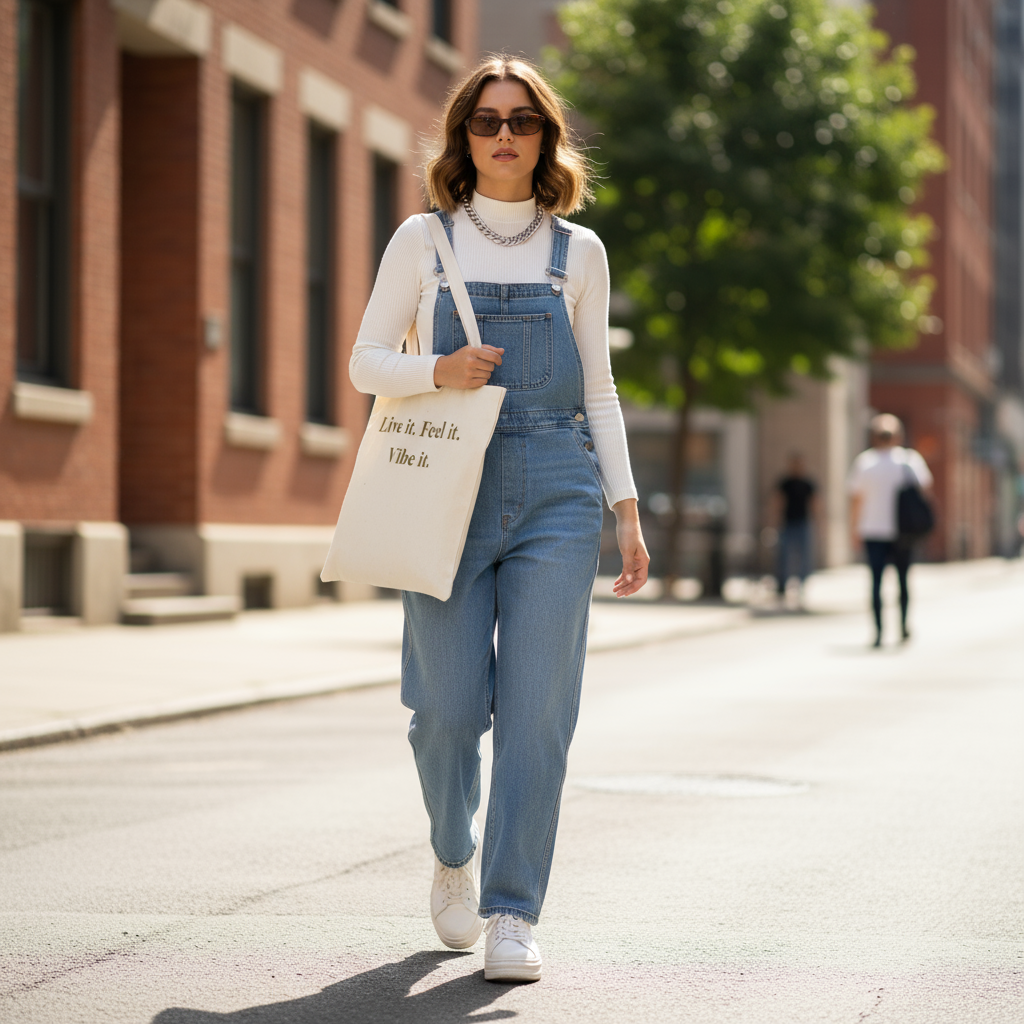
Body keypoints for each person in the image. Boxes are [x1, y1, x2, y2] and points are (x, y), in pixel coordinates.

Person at [349, 56, 649, 982]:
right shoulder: (422, 241)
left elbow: (599, 391)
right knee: (442, 709)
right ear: (463, 136)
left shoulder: (580, 252)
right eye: (486, 121)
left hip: (560, 486)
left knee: (537, 711)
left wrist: (627, 515)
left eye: (523, 120)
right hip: (448, 484)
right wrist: (433, 371)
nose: (505, 136)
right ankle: (453, 851)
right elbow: (365, 362)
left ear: (547, 137)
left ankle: (513, 909)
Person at [847, 414, 933, 647]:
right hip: (902, 531)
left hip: (872, 530)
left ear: (873, 437)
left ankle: (878, 632)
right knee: (903, 581)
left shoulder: (865, 462)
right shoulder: (909, 460)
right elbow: (925, 490)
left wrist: (853, 529)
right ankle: (903, 626)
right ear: (899, 436)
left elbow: (856, 500)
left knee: (876, 583)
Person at [774, 452, 816, 602]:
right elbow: (778, 502)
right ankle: (782, 585)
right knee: (784, 556)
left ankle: (802, 584)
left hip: (803, 522)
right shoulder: (785, 482)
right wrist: (774, 521)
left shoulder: (807, 483)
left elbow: (815, 503)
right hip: (787, 523)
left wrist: (819, 522)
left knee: (804, 556)